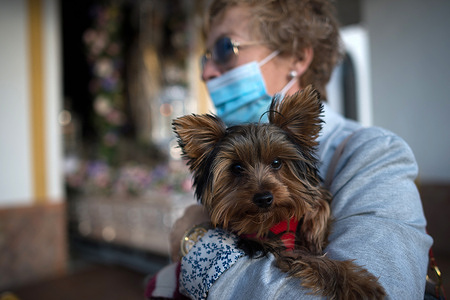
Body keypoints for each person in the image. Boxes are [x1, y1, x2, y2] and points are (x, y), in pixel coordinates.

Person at [146, 0, 433, 299]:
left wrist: (197, 243)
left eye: (224, 49)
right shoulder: (219, 158)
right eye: (204, 58)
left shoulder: (375, 154)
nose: (206, 73)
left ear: (297, 57)